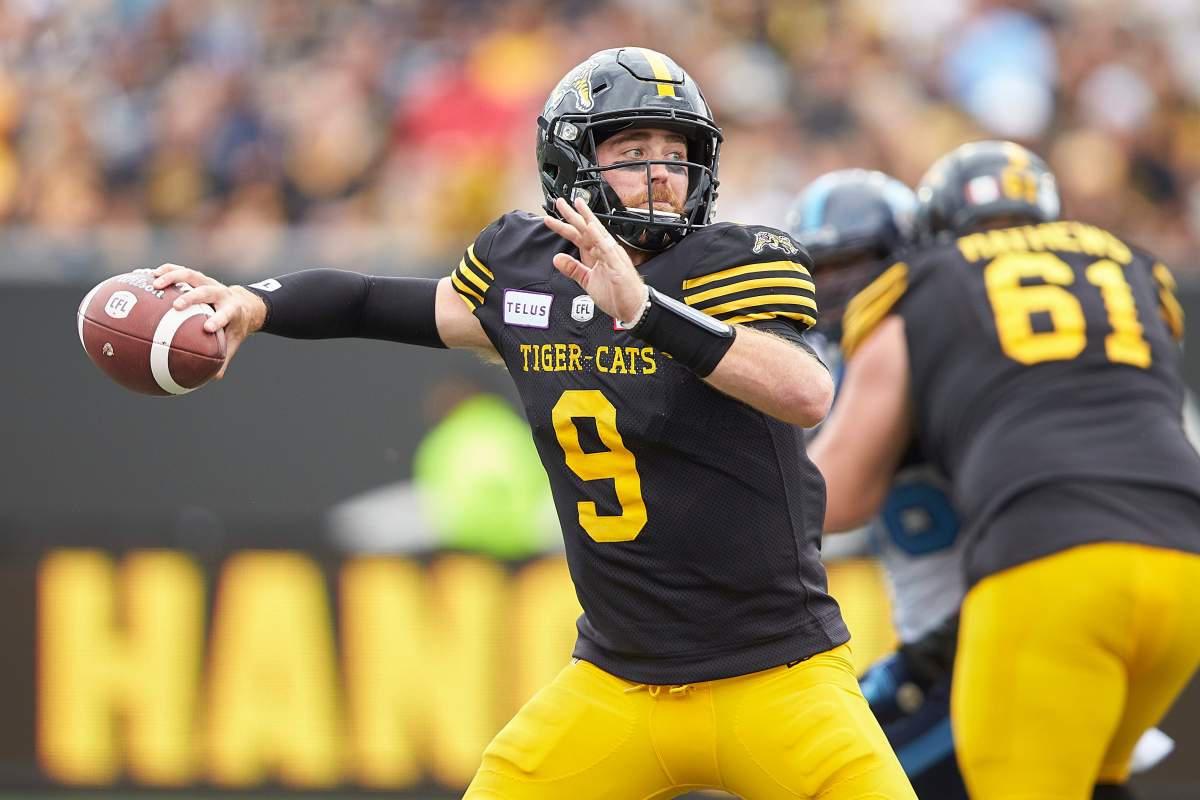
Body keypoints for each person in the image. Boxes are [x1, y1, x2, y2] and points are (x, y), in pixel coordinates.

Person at [151, 48, 916, 799]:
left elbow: (805, 391)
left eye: (674, 152)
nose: (658, 171)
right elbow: (375, 301)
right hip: (620, 683)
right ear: (569, 164)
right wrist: (255, 303)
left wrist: (646, 313)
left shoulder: (737, 261)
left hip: (779, 676)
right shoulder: (524, 266)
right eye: (631, 149)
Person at [808, 139, 1200, 799]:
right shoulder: (1130, 263)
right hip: (1184, 559)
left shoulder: (924, 279)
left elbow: (835, 496)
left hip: (1049, 569)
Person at [789, 169, 969, 799]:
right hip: (936, 639)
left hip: (975, 640)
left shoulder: (921, 341)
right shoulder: (829, 363)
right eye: (820, 269)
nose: (836, 287)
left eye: (855, 262)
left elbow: (831, 497)